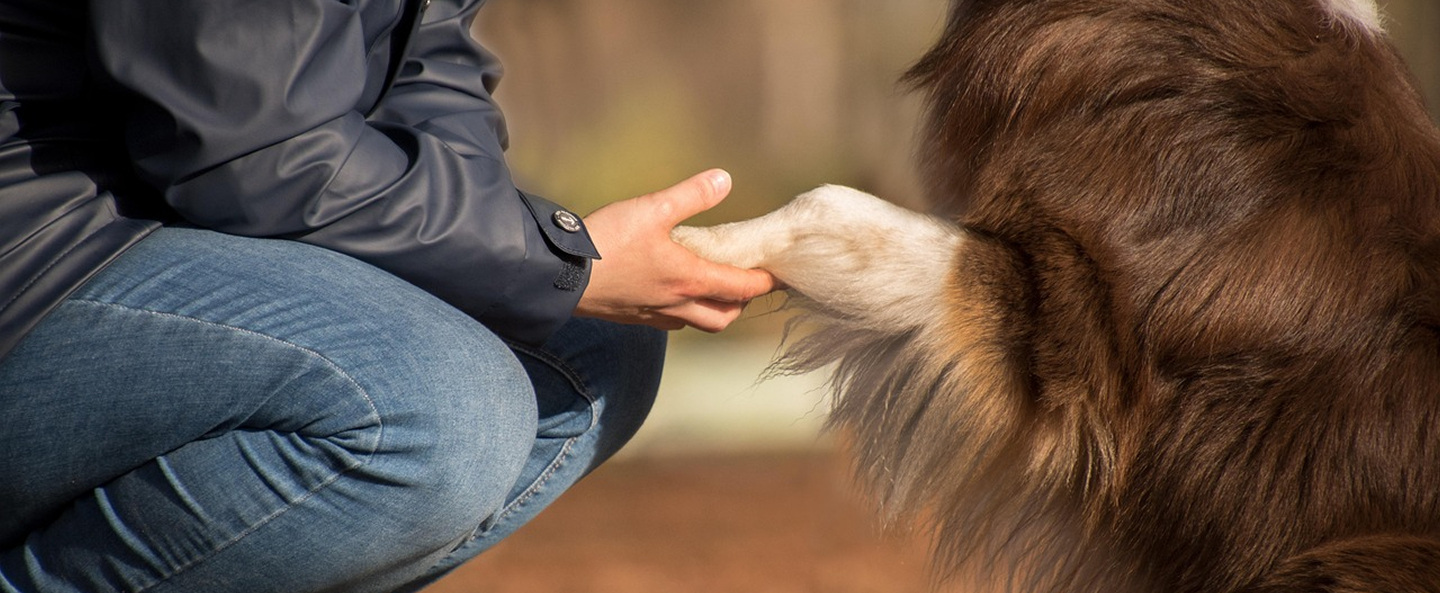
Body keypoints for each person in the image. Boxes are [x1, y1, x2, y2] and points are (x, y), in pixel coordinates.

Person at [0, 0, 777, 591]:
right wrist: (559, 263)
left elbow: (423, 62)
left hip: (164, 223)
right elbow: (254, 153)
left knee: (592, 349)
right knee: (435, 413)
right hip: (37, 257)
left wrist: (552, 262)